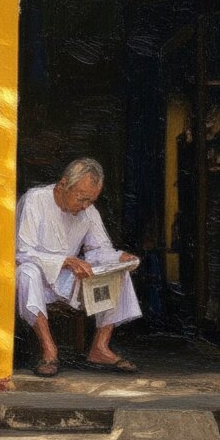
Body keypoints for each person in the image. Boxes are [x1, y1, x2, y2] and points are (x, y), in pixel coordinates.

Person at [15, 158, 141, 377]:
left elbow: (99, 249)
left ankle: (100, 347)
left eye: (90, 201)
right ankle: (49, 350)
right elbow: (22, 251)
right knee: (27, 273)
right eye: (81, 199)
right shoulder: (35, 200)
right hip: (37, 277)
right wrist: (65, 260)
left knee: (117, 271)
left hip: (67, 280)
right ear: (63, 185)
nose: (85, 206)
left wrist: (119, 257)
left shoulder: (88, 211)